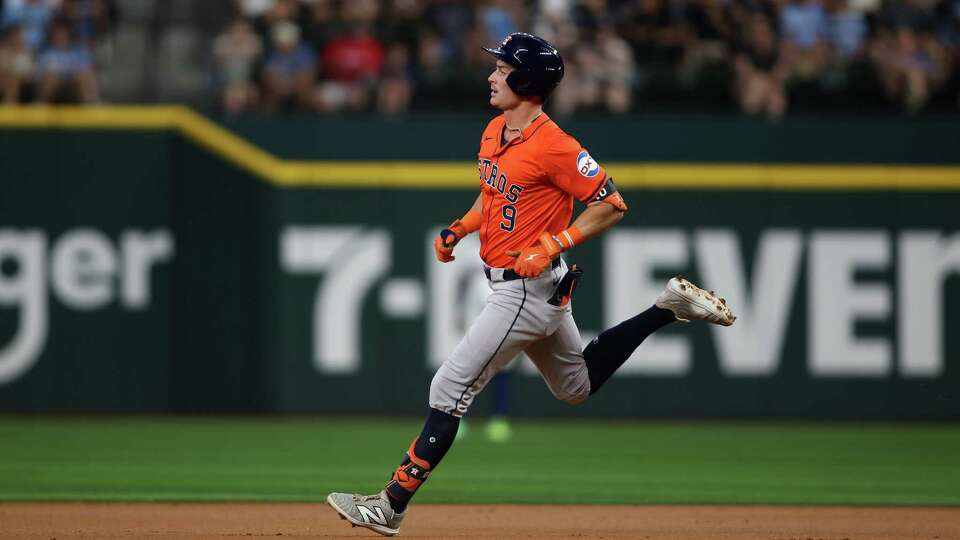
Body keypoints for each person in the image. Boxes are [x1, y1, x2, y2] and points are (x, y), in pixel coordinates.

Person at [326, 32, 736, 537]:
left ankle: (391, 504)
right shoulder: (496, 128)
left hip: (525, 289)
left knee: (449, 387)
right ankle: (667, 308)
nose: (492, 76)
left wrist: (555, 241)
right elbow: (491, 196)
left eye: (501, 69)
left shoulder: (556, 145)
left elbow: (610, 203)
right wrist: (460, 226)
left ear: (525, 79)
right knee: (575, 388)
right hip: (532, 287)